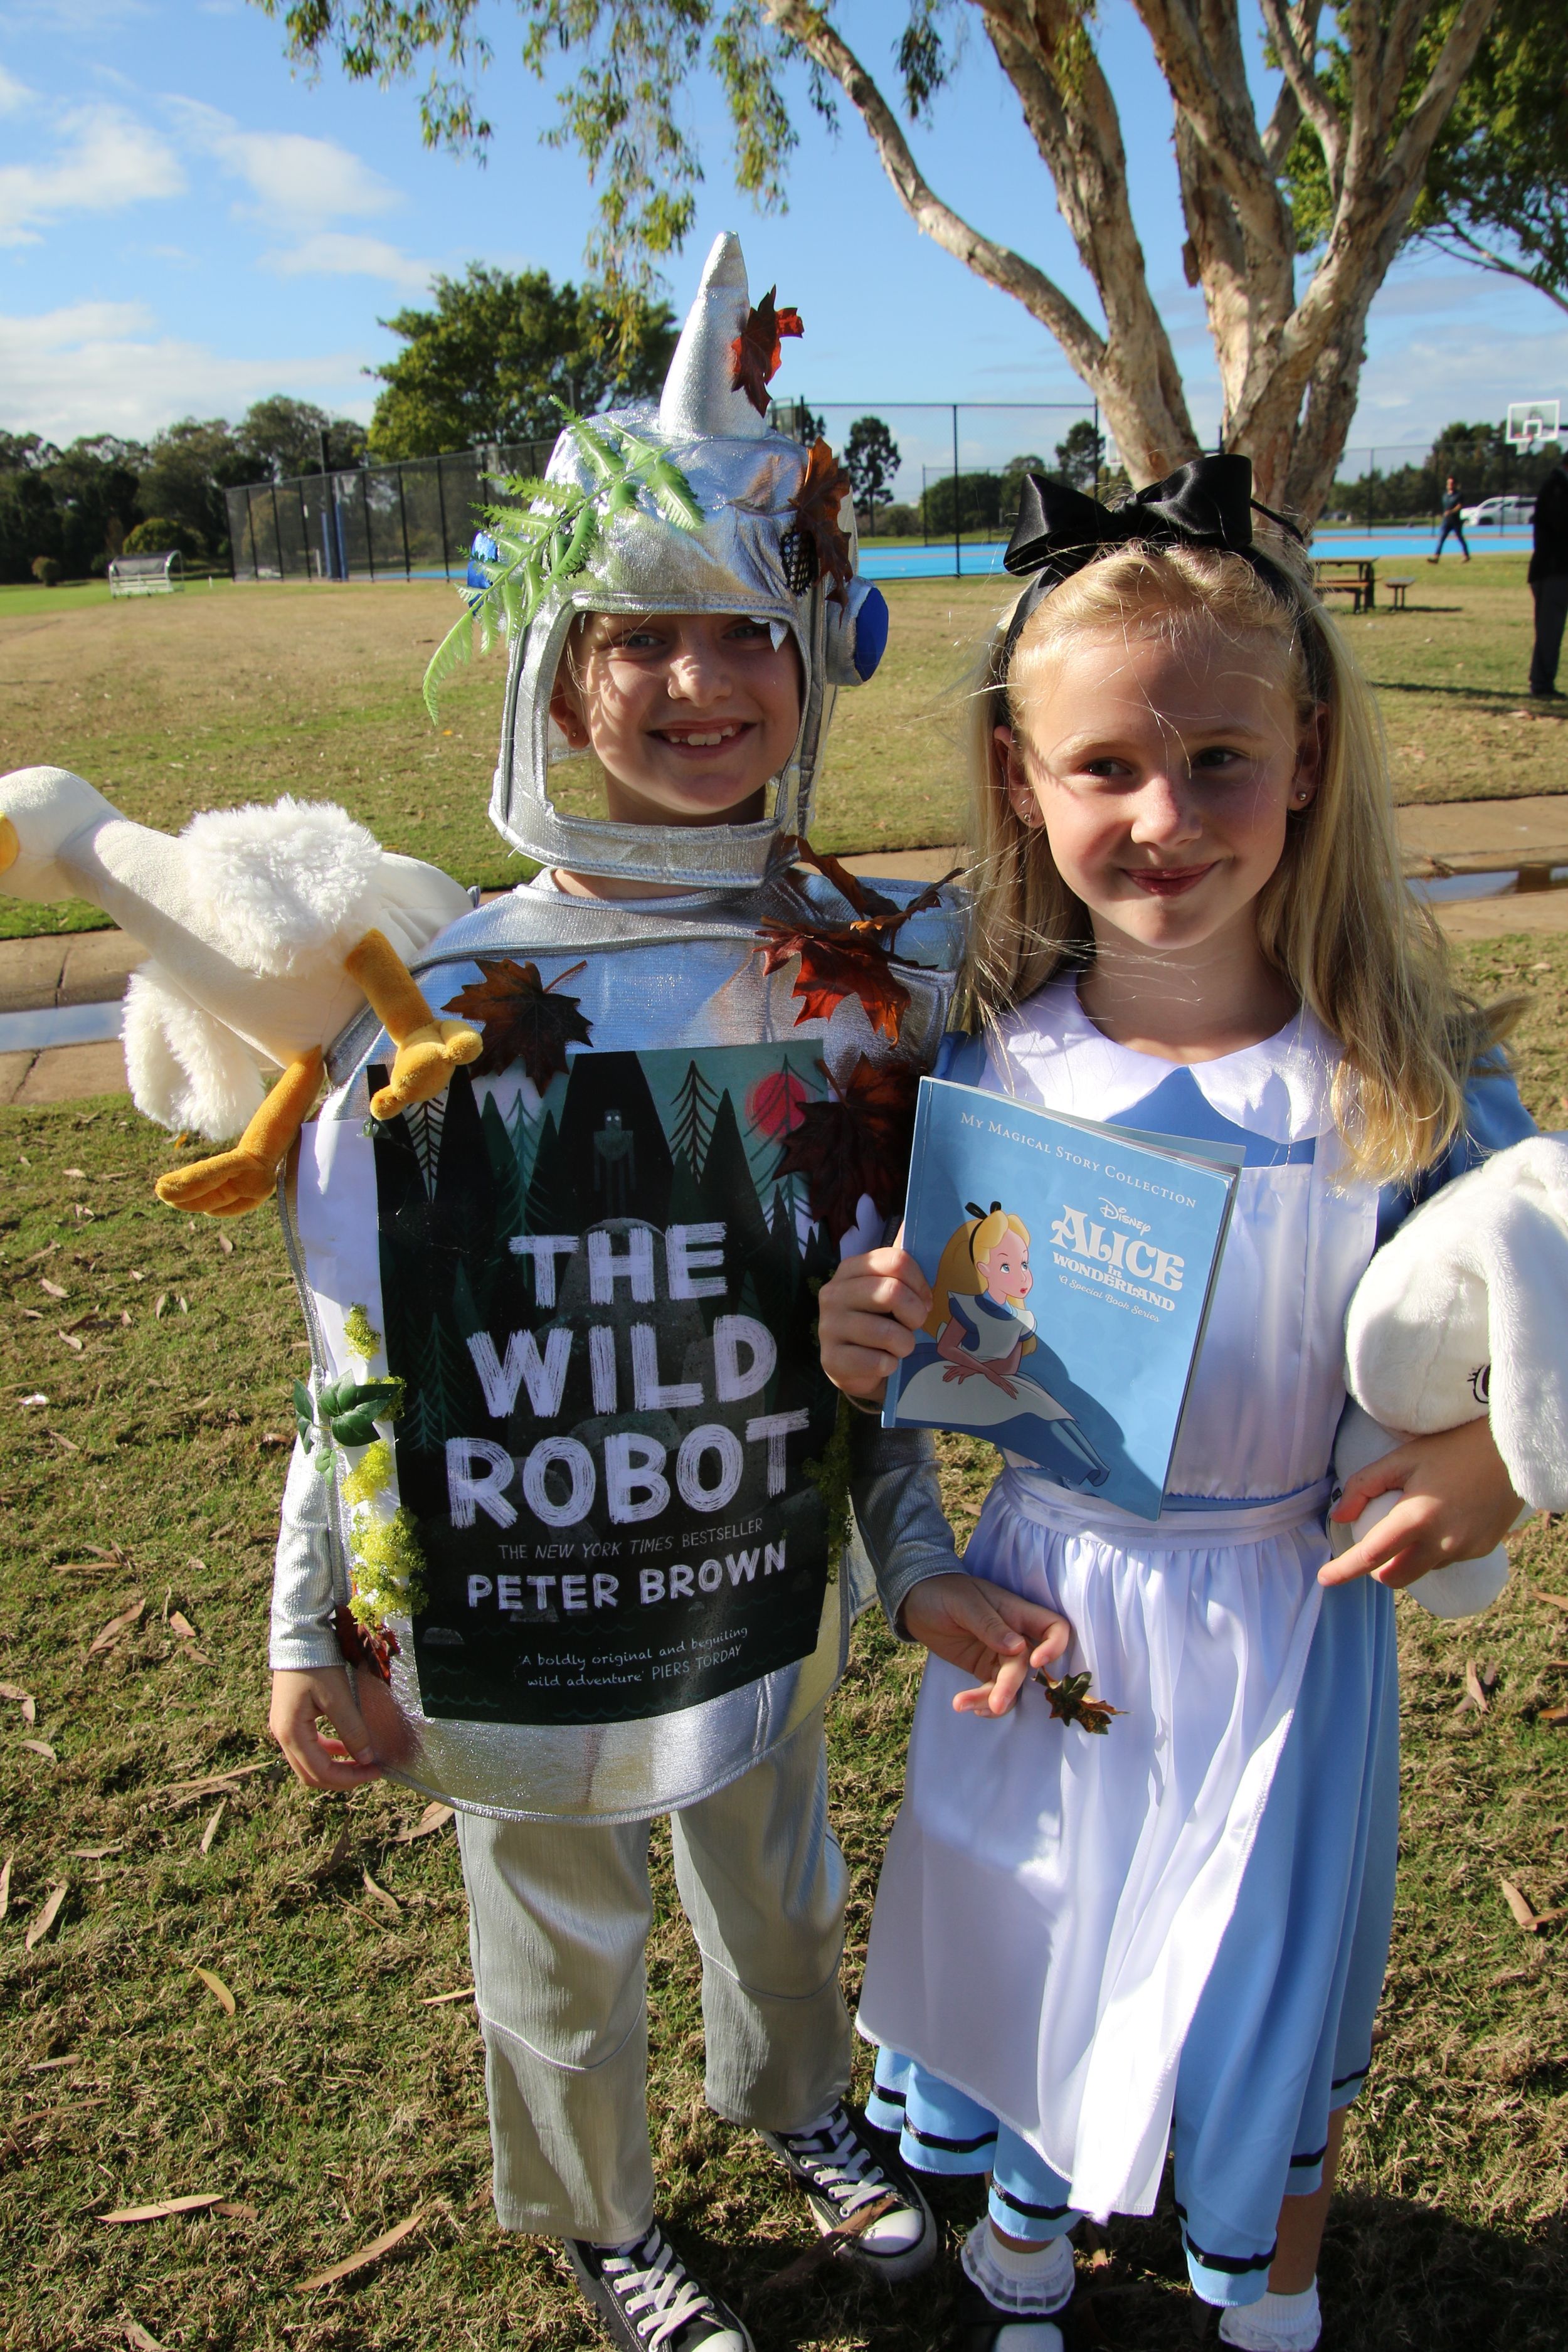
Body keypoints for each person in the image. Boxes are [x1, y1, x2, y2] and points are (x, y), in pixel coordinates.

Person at [265, 235, 1066, 2352]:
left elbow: (907, 1310)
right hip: (518, 1592)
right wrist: (312, 1619)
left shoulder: (862, 980)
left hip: (753, 1569)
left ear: (813, 661)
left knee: (777, 1874)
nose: (697, 684)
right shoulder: (437, 996)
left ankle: (797, 2098)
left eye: (744, 635)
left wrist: (906, 1547)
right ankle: (599, 2209)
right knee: (554, 1915)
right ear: (553, 673)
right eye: (639, 639)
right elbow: (353, 1341)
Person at [817, 457, 1535, 2352]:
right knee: (1038, 1931)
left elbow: (1543, 1288)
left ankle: (1268, 2292)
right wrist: (889, 1459)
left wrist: (1493, 1455)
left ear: (1307, 758)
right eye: (1105, 766)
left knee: (1266, 1967)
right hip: (1042, 1600)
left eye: (1218, 759)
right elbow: (895, 1374)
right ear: (1015, 778)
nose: (1163, 815)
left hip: (1288, 1616)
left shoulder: (1402, 1076)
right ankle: (1024, 2247)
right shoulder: (975, 1061)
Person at [892, 1203, 1109, 1489]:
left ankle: (1091, 1466)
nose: (1022, 1276)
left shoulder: (1023, 1320)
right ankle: (1082, 1467)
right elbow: (946, 1348)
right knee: (1032, 1410)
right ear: (983, 1269)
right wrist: (983, 1371)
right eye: (1006, 1266)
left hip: (992, 1375)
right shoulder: (967, 1306)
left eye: (1024, 1264)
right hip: (956, 1371)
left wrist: (988, 1372)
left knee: (1048, 1408)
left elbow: (1010, 1365)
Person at [1528, 456, 1568, 699]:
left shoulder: (1558, 487)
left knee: (1551, 630)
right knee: (1549, 630)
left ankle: (1544, 681)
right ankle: (1542, 683)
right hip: (1553, 571)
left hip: (1554, 570)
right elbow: (1560, 525)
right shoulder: (1557, 488)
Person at [1427, 474, 1470, 563]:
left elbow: (1459, 506)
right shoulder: (1445, 495)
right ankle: (1436, 557)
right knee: (1441, 539)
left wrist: (1451, 511)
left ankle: (1466, 556)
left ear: (1455, 485)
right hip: (1446, 521)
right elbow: (1445, 508)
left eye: (1452, 483)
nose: (1450, 485)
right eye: (1448, 483)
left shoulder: (1459, 495)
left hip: (1456, 521)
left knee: (1460, 538)